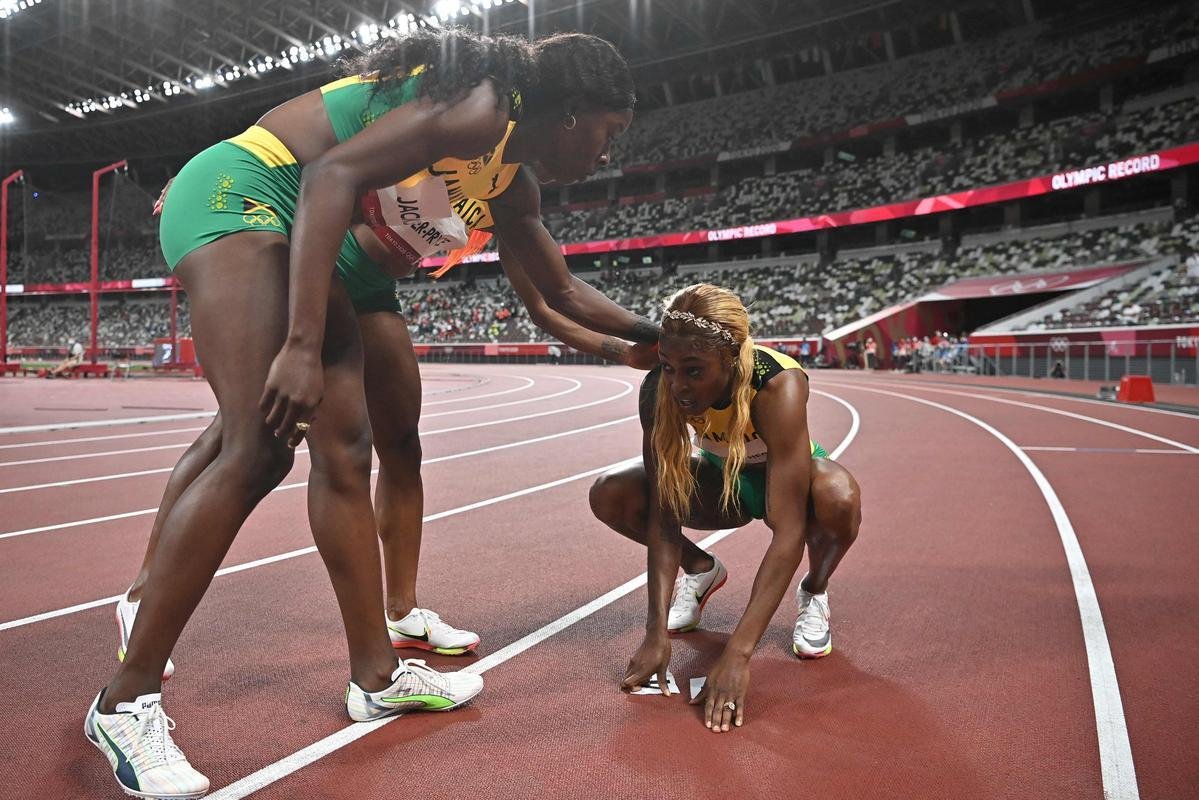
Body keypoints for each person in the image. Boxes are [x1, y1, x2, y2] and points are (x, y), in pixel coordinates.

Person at [87, 28, 658, 799]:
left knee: (348, 449)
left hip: (293, 223)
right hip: (241, 190)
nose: (606, 153)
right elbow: (329, 174)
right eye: (607, 133)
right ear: (571, 111)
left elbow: (558, 292)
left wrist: (657, 336)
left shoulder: (506, 172)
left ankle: (376, 676)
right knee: (257, 446)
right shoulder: (482, 107)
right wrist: (300, 344)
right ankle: (123, 703)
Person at [589, 284, 862, 733]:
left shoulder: (777, 384)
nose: (679, 384)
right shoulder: (660, 389)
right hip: (724, 481)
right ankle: (701, 569)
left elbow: (789, 530)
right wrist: (654, 633)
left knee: (839, 496)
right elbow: (664, 515)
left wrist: (737, 654)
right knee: (611, 492)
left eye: (694, 371)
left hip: (786, 481)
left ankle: (814, 591)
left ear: (731, 358)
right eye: (669, 367)